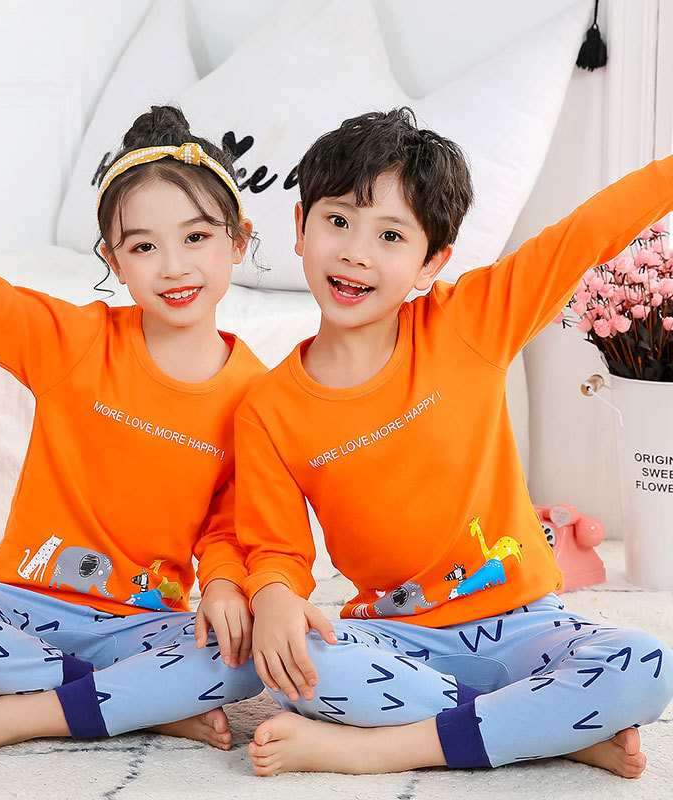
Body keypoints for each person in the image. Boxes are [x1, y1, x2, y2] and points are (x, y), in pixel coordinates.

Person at [234, 107, 673, 778]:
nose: (355, 251)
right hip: (394, 636)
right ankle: (545, 728)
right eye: (338, 221)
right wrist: (271, 597)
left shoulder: (469, 322)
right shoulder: (267, 409)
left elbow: (587, 232)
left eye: (390, 235)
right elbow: (276, 551)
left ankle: (382, 750)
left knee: (648, 663)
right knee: (298, 665)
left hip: (527, 624)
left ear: (431, 262)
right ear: (300, 228)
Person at [0, 105, 265, 777]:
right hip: (27, 609)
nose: (174, 267)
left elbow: (229, 525)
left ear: (238, 240)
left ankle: (23, 713)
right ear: (114, 260)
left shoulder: (256, 394)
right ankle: (141, 704)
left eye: (197, 237)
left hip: (144, 625)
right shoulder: (75, 342)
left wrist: (227, 586)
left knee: (251, 654)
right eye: (143, 247)